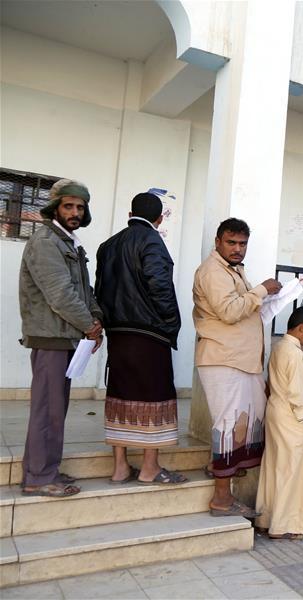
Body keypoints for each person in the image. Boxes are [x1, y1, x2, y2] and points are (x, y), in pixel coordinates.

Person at [18, 179, 103, 497]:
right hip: (50, 337)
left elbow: (84, 290)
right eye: (69, 206)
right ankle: (38, 477)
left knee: (56, 409)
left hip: (67, 336)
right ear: (55, 207)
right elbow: (61, 295)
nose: (75, 212)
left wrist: (96, 320)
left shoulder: (68, 242)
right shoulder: (45, 241)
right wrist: (89, 326)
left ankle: (45, 470)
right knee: (46, 409)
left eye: (80, 207)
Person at [95, 192, 186, 485]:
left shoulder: (107, 246)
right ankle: (149, 467)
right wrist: (171, 324)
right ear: (159, 220)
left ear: (130, 213)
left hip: (118, 334)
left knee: (120, 394)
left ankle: (120, 467)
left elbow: (100, 291)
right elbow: (160, 287)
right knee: (154, 396)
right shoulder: (153, 242)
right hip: (149, 334)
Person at [193, 218, 282, 518]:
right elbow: (230, 312)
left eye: (242, 244)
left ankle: (217, 469)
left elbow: (242, 308)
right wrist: (261, 290)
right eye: (231, 243)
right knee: (230, 427)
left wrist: (265, 297)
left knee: (243, 426)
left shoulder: (234, 271)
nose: (237, 249)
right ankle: (221, 500)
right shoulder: (212, 271)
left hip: (241, 360)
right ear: (217, 242)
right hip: (222, 359)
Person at [255, 307, 303, 539]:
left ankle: (265, 518)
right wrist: (302, 416)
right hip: (290, 415)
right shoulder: (293, 352)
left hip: (275, 410)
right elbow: (296, 392)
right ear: (302, 328)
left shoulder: (279, 346)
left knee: (274, 466)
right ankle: (283, 525)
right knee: (291, 470)